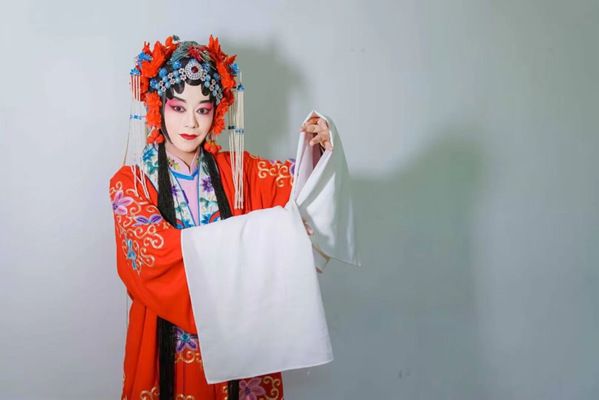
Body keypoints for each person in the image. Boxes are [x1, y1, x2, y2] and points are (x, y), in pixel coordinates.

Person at [109, 34, 354, 400]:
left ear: (217, 111)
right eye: (178, 107)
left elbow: (300, 191)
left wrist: (319, 148)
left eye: (202, 109)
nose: (191, 122)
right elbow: (155, 255)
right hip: (166, 341)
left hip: (241, 337)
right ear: (157, 105)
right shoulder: (132, 184)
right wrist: (275, 232)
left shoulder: (240, 172)